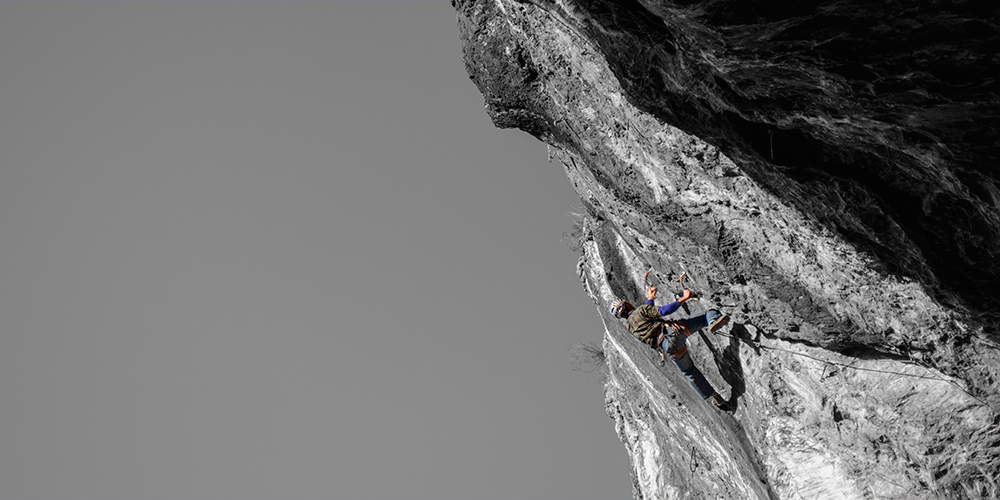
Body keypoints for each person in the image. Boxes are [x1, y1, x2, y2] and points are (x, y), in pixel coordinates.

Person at [610, 286, 731, 410]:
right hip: (674, 330)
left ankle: (715, 397)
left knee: (689, 372)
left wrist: (650, 298)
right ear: (628, 305)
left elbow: (647, 314)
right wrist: (684, 298)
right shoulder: (641, 311)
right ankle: (712, 321)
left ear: (622, 317)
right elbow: (662, 311)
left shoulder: (631, 328)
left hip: (668, 347)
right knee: (709, 314)